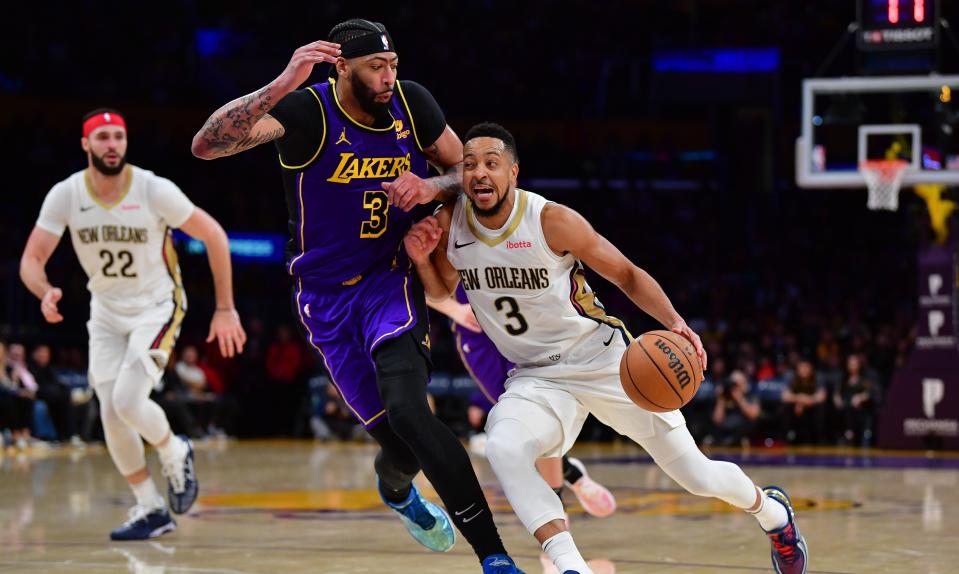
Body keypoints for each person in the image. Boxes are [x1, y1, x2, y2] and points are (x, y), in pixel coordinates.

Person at [191, 19, 522, 573]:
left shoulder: (412, 105)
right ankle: (397, 494)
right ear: (340, 67)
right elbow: (206, 146)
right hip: (324, 299)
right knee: (399, 449)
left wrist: (431, 187)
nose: (389, 77)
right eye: (376, 66)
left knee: (413, 415)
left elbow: (467, 172)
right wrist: (282, 82)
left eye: (393, 65)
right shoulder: (306, 112)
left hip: (389, 279)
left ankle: (494, 557)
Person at [404, 123, 808, 574]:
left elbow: (628, 275)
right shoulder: (450, 223)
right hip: (536, 375)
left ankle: (775, 516)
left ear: (513, 172)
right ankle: (572, 566)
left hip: (602, 359)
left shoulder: (551, 220)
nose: (480, 173)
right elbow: (442, 293)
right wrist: (421, 260)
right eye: (471, 164)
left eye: (492, 163)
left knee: (696, 476)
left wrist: (675, 324)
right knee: (503, 446)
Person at [19, 108, 247, 540]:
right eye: (102, 137)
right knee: (110, 412)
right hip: (105, 312)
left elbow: (214, 234)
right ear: (86, 144)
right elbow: (32, 260)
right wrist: (43, 290)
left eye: (118, 137)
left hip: (156, 306)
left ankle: (175, 449)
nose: (112, 145)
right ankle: (149, 507)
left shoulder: (152, 188)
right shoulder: (66, 195)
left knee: (126, 400)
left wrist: (224, 307)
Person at [428, 291, 617, 519]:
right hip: (475, 332)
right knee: (522, 418)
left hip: (520, 324)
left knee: (534, 412)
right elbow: (420, 283)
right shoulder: (441, 255)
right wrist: (454, 309)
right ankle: (571, 473)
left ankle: (557, 512)